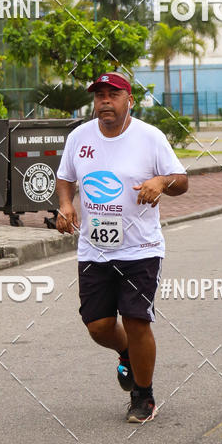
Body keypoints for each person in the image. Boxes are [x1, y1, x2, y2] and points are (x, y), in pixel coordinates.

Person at [56, 72, 188, 423]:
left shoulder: (150, 137)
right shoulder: (79, 137)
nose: (104, 102)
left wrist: (160, 181)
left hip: (140, 249)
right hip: (94, 249)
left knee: (135, 319)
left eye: (112, 95)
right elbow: (66, 176)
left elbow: (182, 180)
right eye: (99, 96)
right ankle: (127, 354)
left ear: (129, 99)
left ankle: (143, 395)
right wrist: (67, 205)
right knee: (97, 326)